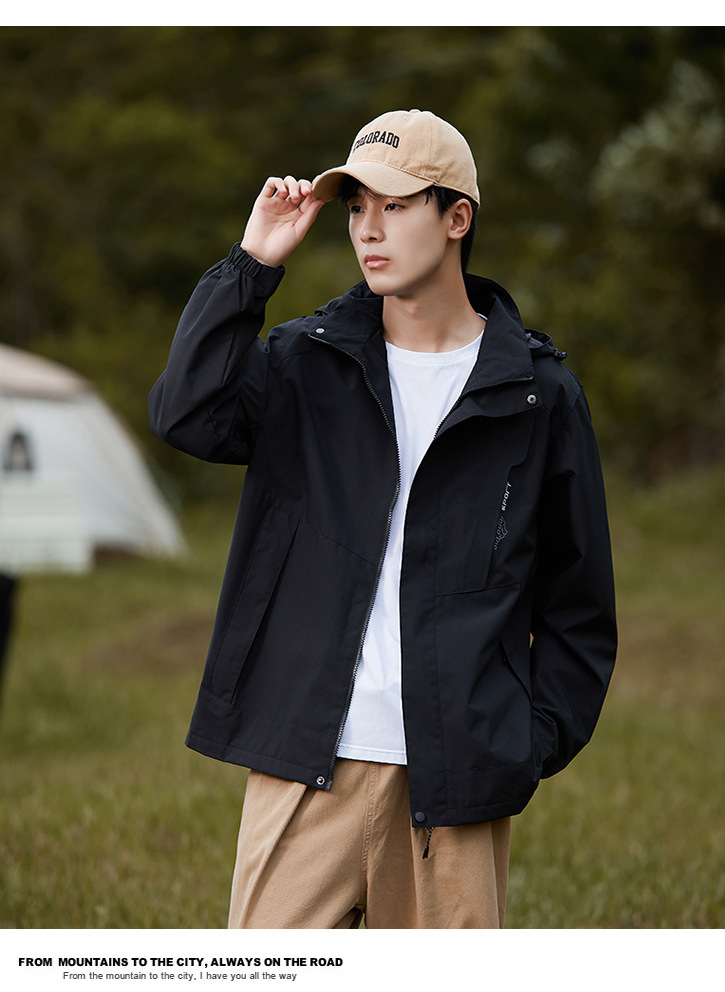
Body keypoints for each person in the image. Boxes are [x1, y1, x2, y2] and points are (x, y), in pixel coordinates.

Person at [149, 109, 617, 929]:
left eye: (395, 206)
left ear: (457, 217)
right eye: (358, 206)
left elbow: (578, 604)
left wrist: (525, 743)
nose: (368, 228)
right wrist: (251, 265)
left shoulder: (537, 395)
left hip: (457, 781)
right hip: (303, 763)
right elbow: (186, 414)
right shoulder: (306, 363)